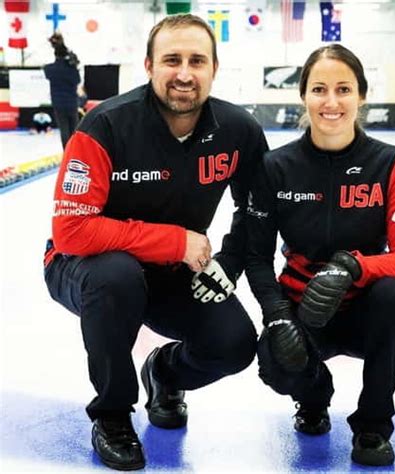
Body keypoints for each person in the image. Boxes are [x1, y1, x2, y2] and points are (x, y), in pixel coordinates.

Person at [43, 14, 267, 471]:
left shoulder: (238, 130)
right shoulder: (103, 126)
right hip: (83, 264)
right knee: (116, 275)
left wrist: (230, 261)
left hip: (172, 271)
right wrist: (173, 241)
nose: (184, 73)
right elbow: (73, 231)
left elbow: (257, 209)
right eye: (171, 60)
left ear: (214, 69)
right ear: (149, 66)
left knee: (235, 342)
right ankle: (112, 414)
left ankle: (164, 374)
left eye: (196, 61)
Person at [246, 44, 395, 467]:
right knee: (275, 362)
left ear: (361, 96)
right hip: (302, 311)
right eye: (319, 89)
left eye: (343, 89)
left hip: (364, 308)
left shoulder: (391, 163)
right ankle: (313, 397)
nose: (331, 102)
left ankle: (373, 426)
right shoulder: (275, 166)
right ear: (303, 96)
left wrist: (354, 267)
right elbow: (255, 257)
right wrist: (277, 315)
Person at [44, 32, 81, 149]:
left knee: (64, 129)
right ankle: (75, 151)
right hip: (71, 102)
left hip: (58, 102)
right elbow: (77, 80)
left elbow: (47, 71)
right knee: (74, 128)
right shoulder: (71, 69)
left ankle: (67, 152)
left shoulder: (49, 69)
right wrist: (74, 65)